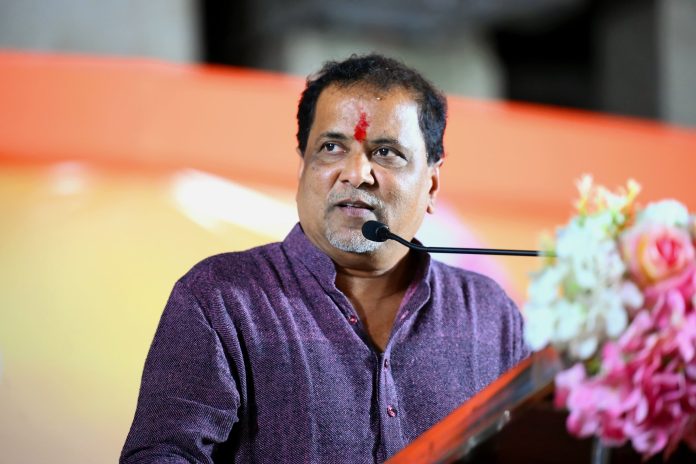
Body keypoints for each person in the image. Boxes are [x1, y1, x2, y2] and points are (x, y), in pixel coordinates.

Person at [121, 53, 529, 464]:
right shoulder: (221, 299)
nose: (356, 173)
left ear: (432, 185)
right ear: (302, 170)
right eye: (331, 147)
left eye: (386, 152)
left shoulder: (490, 313)